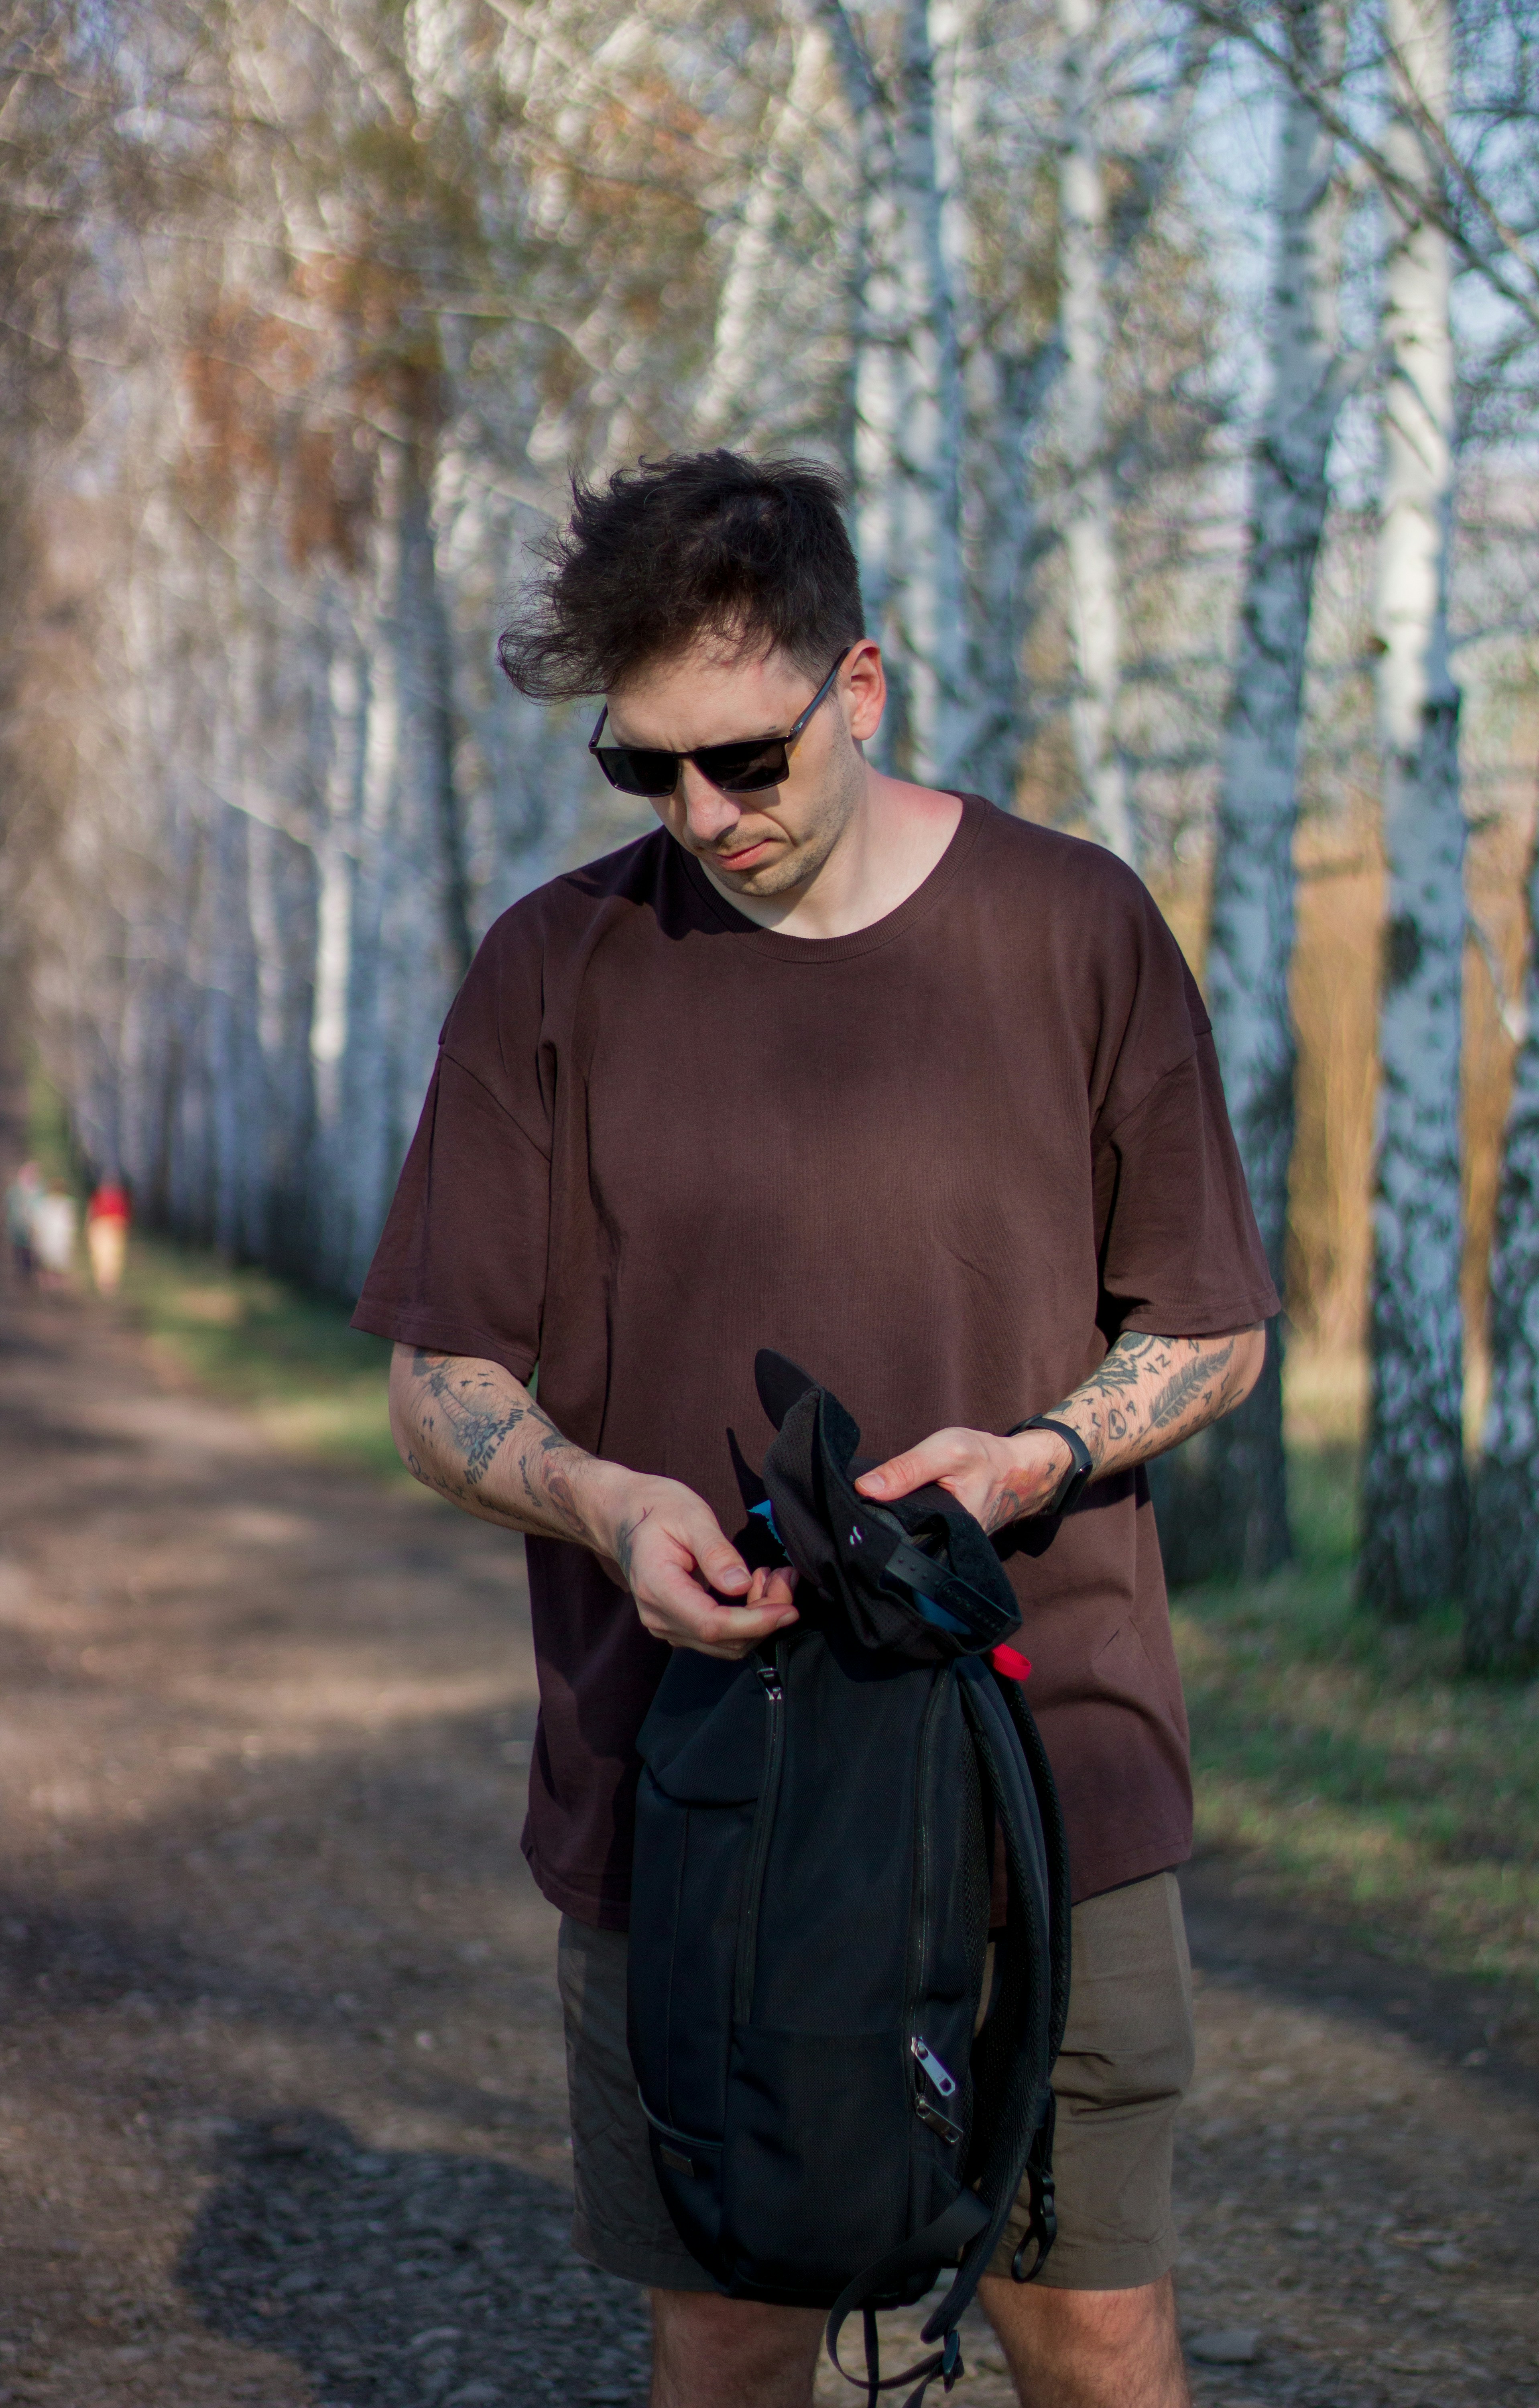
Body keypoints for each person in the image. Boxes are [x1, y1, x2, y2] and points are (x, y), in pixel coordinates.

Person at [353, 452, 1279, 2408]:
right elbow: (440, 1383)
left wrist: (1033, 1456)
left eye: (747, 761)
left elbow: (1206, 1327)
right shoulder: (549, 974)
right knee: (733, 2328)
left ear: (858, 689)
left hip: (1044, 1773)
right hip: (690, 1798)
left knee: (1091, 2324)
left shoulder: (1075, 930)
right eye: (645, 771)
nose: (702, 814)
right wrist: (604, 1507)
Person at [85, 1178, 132, 1296]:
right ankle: (104, 1283)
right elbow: (93, 1211)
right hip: (103, 1227)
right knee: (103, 1256)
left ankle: (110, 1283)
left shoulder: (119, 1197)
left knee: (112, 1256)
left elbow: (124, 1216)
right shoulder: (100, 1196)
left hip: (113, 1228)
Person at [31, 1178, 77, 1293]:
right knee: (50, 1263)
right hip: (51, 1238)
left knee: (56, 1263)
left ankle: (55, 1287)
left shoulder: (64, 1204)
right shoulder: (47, 1204)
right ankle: (51, 1287)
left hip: (58, 1239)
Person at [4, 1160, 42, 1288]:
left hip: (34, 1227)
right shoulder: (15, 1191)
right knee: (21, 1250)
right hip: (19, 1228)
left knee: (33, 1250)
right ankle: (23, 1276)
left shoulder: (39, 1190)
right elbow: (10, 1207)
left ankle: (31, 1274)